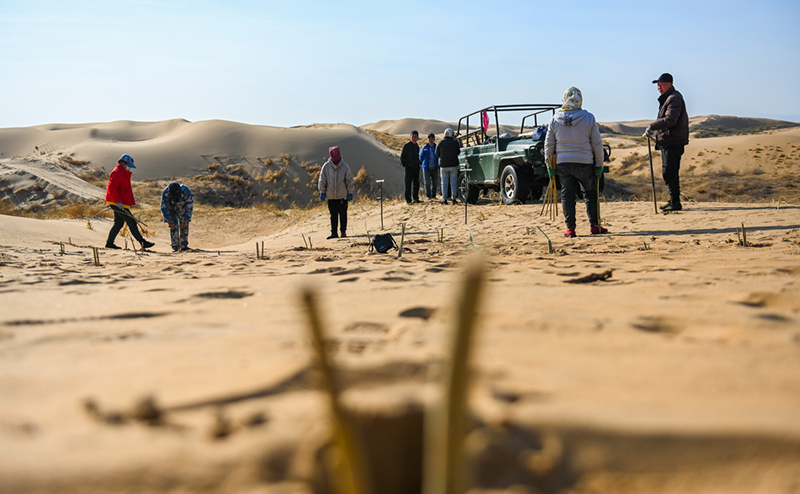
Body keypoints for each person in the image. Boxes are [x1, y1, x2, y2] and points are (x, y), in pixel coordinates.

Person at [544, 87, 607, 238]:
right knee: (591, 194)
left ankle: (570, 229)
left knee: (567, 196)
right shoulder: (588, 117)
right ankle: (594, 226)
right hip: (585, 162)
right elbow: (597, 143)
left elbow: (549, 144)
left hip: (563, 163)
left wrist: (549, 164)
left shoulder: (554, 119)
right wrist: (599, 164)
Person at [645, 73, 689, 212]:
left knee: (670, 171)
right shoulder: (668, 98)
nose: (658, 87)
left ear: (669, 84)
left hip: (673, 141)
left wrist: (652, 126)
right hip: (669, 141)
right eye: (657, 84)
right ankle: (673, 200)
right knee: (669, 171)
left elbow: (671, 120)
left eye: (661, 84)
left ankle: (675, 202)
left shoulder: (674, 98)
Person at [104, 154, 155, 250]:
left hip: (121, 203)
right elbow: (112, 188)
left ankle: (109, 243)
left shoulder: (122, 172)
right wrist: (118, 201)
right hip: (116, 203)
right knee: (131, 222)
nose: (129, 168)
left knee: (118, 224)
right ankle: (143, 243)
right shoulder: (117, 172)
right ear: (123, 163)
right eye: (128, 166)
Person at [318, 146, 355, 239]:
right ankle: (334, 233)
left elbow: (349, 180)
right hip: (331, 196)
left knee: (343, 214)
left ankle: (343, 232)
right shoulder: (326, 166)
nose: (335, 155)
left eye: (336, 153)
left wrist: (350, 192)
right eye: (333, 154)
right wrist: (322, 191)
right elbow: (322, 179)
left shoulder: (345, 166)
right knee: (333, 215)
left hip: (342, 195)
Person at [160, 182, 194, 252]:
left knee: (184, 226)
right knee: (173, 227)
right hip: (171, 208)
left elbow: (189, 206)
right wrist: (169, 221)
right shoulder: (165, 193)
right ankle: (175, 246)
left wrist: (187, 219)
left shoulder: (186, 191)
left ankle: (183, 245)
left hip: (182, 207)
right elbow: (164, 207)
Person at [436, 128, 461, 205]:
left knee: (444, 182)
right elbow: (458, 152)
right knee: (453, 182)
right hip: (453, 164)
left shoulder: (440, 142)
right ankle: (454, 199)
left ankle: (444, 199)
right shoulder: (455, 142)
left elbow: (437, 153)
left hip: (443, 165)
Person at [400, 130, 421, 203]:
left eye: (415, 136)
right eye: (413, 136)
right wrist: (405, 165)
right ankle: (408, 200)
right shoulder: (407, 146)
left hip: (416, 167)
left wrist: (418, 163)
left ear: (417, 138)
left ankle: (416, 199)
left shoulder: (417, 146)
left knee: (416, 184)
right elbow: (402, 157)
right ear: (410, 137)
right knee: (408, 184)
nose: (414, 138)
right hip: (409, 168)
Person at [420, 133, 439, 199]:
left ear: (434, 139)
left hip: (435, 167)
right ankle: (428, 196)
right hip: (426, 168)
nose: (431, 140)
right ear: (428, 139)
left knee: (435, 182)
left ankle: (433, 195)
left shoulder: (436, 147)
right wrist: (421, 164)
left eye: (432, 138)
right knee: (427, 183)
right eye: (429, 138)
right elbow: (421, 157)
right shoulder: (425, 147)